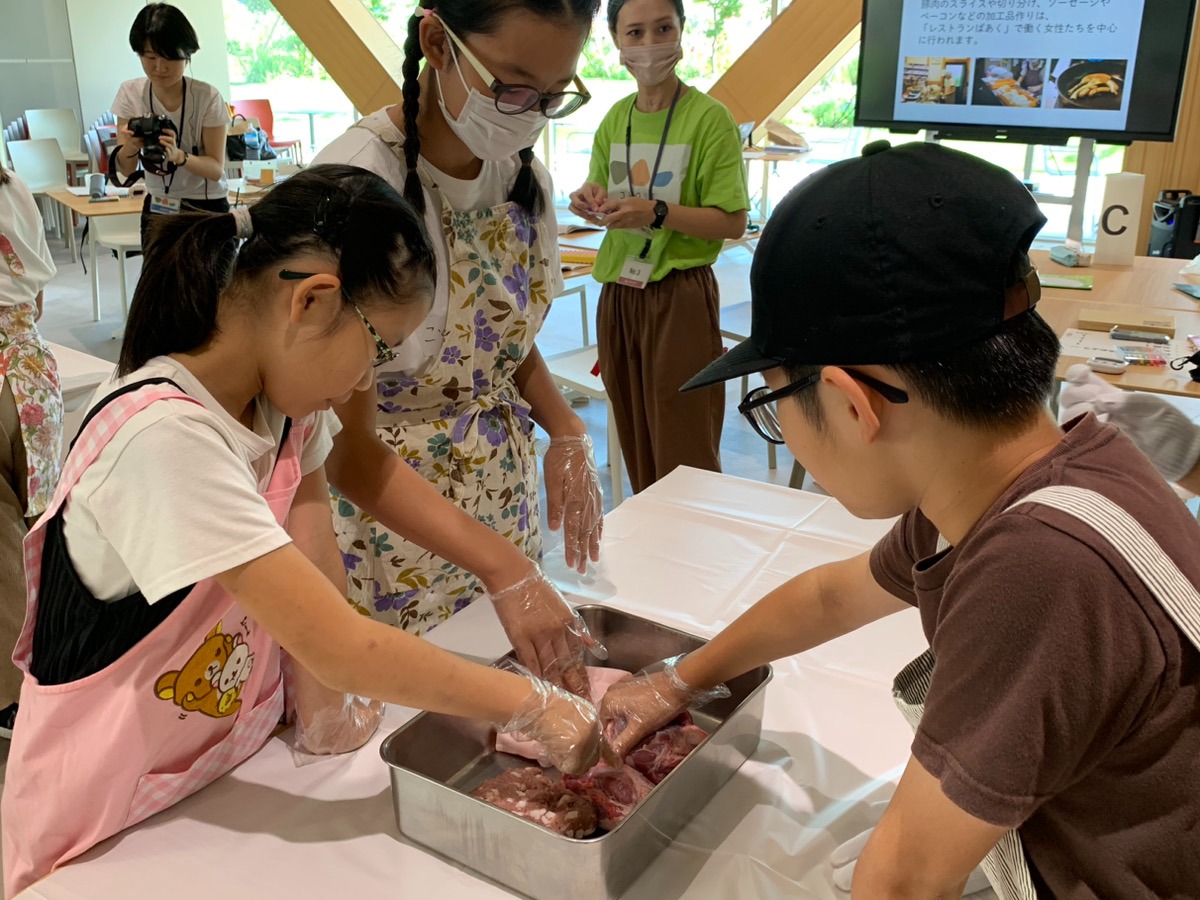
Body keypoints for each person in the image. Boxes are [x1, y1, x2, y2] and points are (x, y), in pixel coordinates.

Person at [599, 142, 1200, 897]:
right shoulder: (1012, 479)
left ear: (853, 405)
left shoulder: (1040, 567)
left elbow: (903, 881)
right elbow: (830, 596)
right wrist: (677, 681)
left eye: (773, 405)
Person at [1, 166, 606, 897]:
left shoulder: (286, 411)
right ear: (313, 300)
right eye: (379, 349)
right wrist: (534, 706)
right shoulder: (162, 439)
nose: (367, 383)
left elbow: (320, 571)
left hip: (209, 778)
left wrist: (323, 710)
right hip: (100, 817)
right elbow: (340, 646)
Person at [314, 1, 606, 632]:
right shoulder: (356, 183)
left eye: (552, 96)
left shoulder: (523, 175)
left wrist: (566, 429)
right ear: (437, 43)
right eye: (512, 87)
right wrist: (500, 566)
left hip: (499, 492)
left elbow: (497, 342)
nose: (530, 115)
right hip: (391, 511)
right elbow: (342, 445)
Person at [568, 0, 749, 493]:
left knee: (684, 444)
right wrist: (588, 198)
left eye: (663, 28)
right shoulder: (616, 119)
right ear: (616, 40)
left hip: (679, 293)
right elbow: (601, 188)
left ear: (681, 31)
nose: (649, 44)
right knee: (634, 436)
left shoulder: (709, 119)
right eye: (635, 32)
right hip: (619, 292)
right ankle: (651, 533)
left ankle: (692, 536)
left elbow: (732, 221)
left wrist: (657, 211)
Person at [0, 167, 61, 742]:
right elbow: (36, 299)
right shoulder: (12, 185)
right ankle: (48, 675)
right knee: (37, 527)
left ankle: (10, 697)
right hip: (30, 368)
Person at [111, 3, 231, 245]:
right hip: (158, 205)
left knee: (209, 271)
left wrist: (179, 156)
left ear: (187, 54)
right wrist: (131, 146)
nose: (159, 67)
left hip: (206, 205)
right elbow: (126, 169)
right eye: (150, 57)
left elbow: (216, 169)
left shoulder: (207, 97)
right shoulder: (130, 93)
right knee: (157, 271)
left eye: (169, 57)